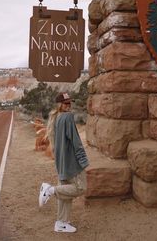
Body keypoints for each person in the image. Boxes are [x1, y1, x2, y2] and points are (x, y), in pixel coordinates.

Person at [39, 92, 89, 233]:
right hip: (72, 163)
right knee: (80, 188)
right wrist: (83, 161)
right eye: (66, 103)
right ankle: (49, 190)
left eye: (69, 103)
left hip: (61, 163)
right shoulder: (67, 117)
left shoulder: (55, 118)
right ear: (59, 104)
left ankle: (61, 223)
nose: (69, 105)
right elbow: (76, 142)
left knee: (66, 193)